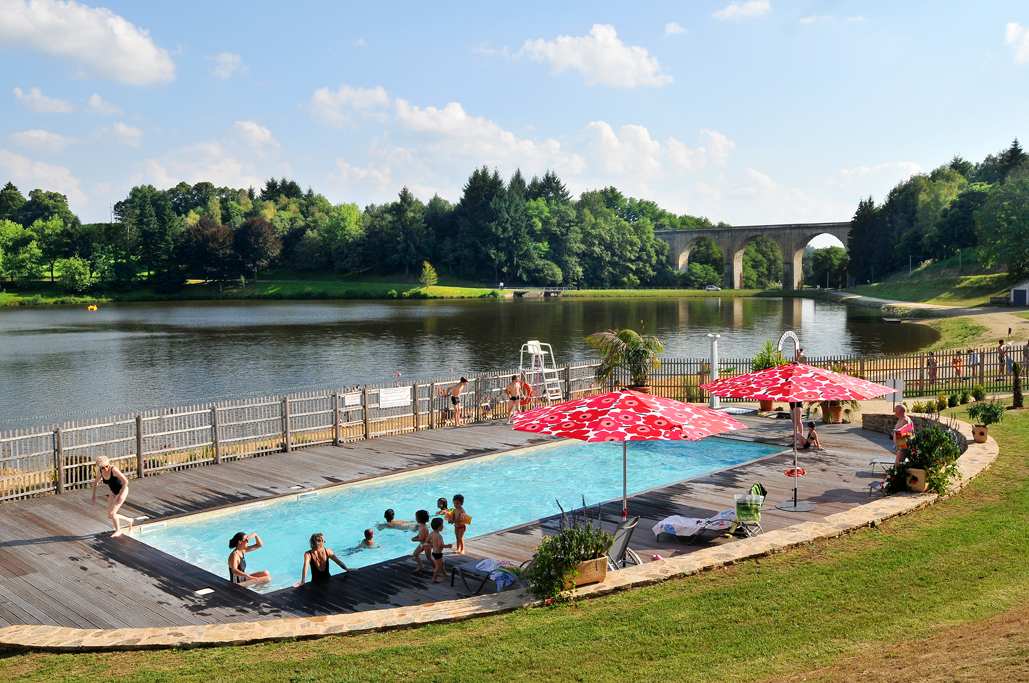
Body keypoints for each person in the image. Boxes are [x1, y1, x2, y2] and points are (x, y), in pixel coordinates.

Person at [90, 456, 133, 537]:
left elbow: (126, 482)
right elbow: (95, 482)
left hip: (122, 490)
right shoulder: (100, 472)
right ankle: (129, 520)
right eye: (103, 468)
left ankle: (118, 530)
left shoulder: (113, 470)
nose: (105, 469)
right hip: (113, 492)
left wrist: (120, 495)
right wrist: (93, 495)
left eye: (107, 466)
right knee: (110, 516)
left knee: (113, 513)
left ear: (109, 464)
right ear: (99, 467)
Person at [427, 517, 452, 583]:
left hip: (434, 552)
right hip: (438, 553)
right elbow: (440, 545)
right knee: (437, 567)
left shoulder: (431, 533)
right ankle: (434, 579)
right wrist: (448, 546)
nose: (443, 526)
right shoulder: (439, 536)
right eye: (442, 525)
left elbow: (427, 540)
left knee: (442, 563)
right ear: (439, 527)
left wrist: (432, 543)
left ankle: (444, 574)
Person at [411, 509, 432, 573]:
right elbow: (420, 534)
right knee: (415, 553)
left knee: (429, 557)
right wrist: (416, 536)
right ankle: (420, 566)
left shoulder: (424, 527)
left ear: (420, 519)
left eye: (416, 518)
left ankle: (435, 567)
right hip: (422, 544)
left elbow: (423, 538)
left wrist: (415, 540)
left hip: (426, 544)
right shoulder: (421, 525)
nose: (416, 519)